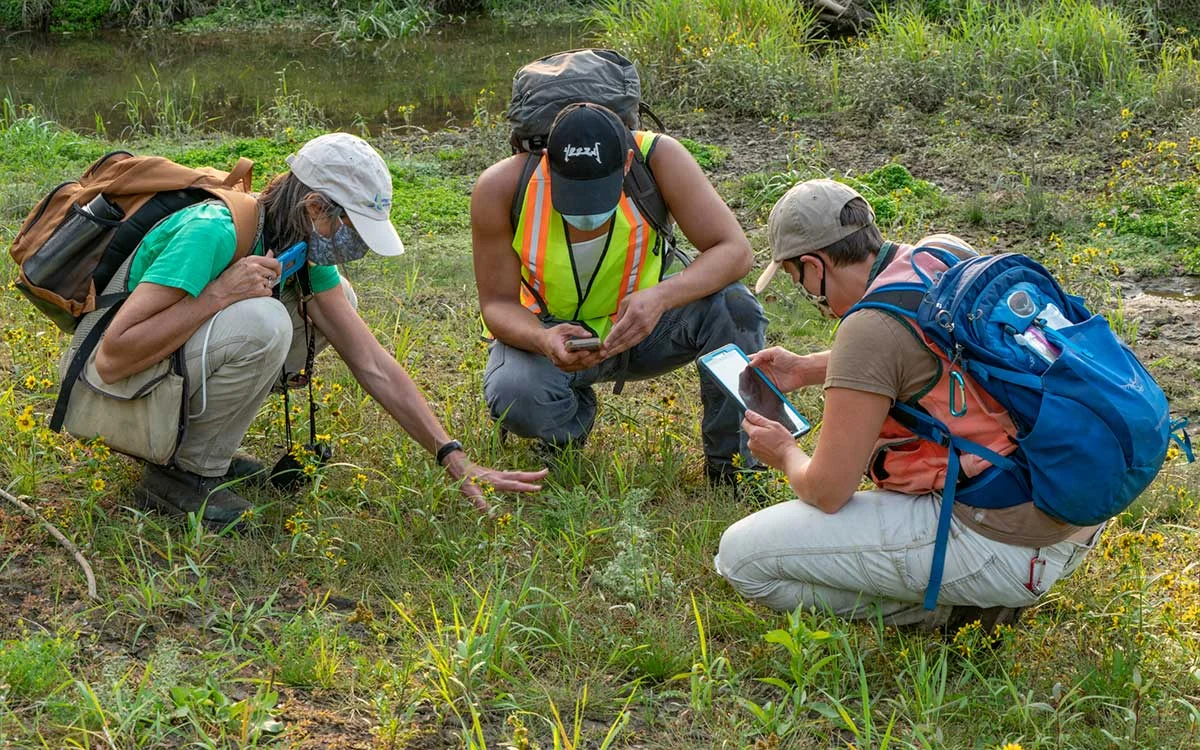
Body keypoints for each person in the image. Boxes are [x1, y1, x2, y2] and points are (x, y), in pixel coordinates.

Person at [70, 132, 546, 525]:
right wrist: (219, 295)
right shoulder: (212, 231)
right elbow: (113, 358)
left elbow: (371, 362)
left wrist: (452, 456)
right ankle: (181, 475)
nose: (354, 246)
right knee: (266, 320)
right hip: (106, 390)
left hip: (157, 372)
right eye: (352, 229)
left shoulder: (293, 245)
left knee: (332, 307)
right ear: (316, 207)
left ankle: (195, 452)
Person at [715, 179, 1103, 629]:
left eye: (796, 278)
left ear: (813, 265)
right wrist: (806, 368)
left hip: (1000, 541)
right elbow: (939, 352)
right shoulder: (942, 254)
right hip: (1069, 514)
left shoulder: (867, 330)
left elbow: (827, 489)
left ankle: (955, 610)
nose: (806, 292)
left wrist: (784, 452)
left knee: (741, 558)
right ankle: (971, 588)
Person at [470, 102, 766, 482]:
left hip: (646, 327)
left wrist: (660, 298)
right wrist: (542, 339)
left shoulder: (659, 159)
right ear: (547, 163)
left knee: (736, 307)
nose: (586, 214)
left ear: (626, 163)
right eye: (572, 195)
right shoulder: (500, 188)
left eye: (598, 196)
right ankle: (566, 435)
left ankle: (733, 467)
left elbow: (735, 251)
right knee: (516, 391)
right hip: (554, 338)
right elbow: (497, 304)